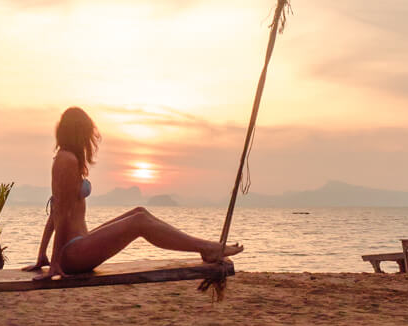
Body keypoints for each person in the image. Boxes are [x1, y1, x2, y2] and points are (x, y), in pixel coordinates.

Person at [23, 106, 243, 280]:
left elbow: (56, 209)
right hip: (71, 253)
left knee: (140, 211)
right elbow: (62, 212)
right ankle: (207, 248)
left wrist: (42, 255)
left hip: (76, 245)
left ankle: (206, 247)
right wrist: (55, 262)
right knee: (139, 221)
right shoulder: (67, 160)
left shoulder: (65, 158)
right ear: (79, 132)